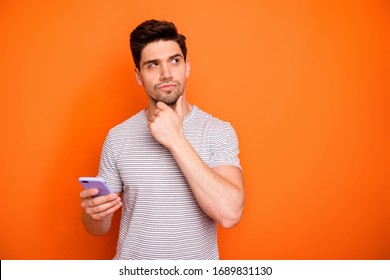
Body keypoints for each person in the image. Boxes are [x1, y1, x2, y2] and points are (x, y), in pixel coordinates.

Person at [80, 19, 244, 260]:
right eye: (153, 65)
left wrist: (175, 139)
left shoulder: (217, 131)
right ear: (138, 75)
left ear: (187, 67)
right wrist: (94, 214)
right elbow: (97, 229)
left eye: (174, 61)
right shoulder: (118, 137)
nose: (166, 73)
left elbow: (230, 213)